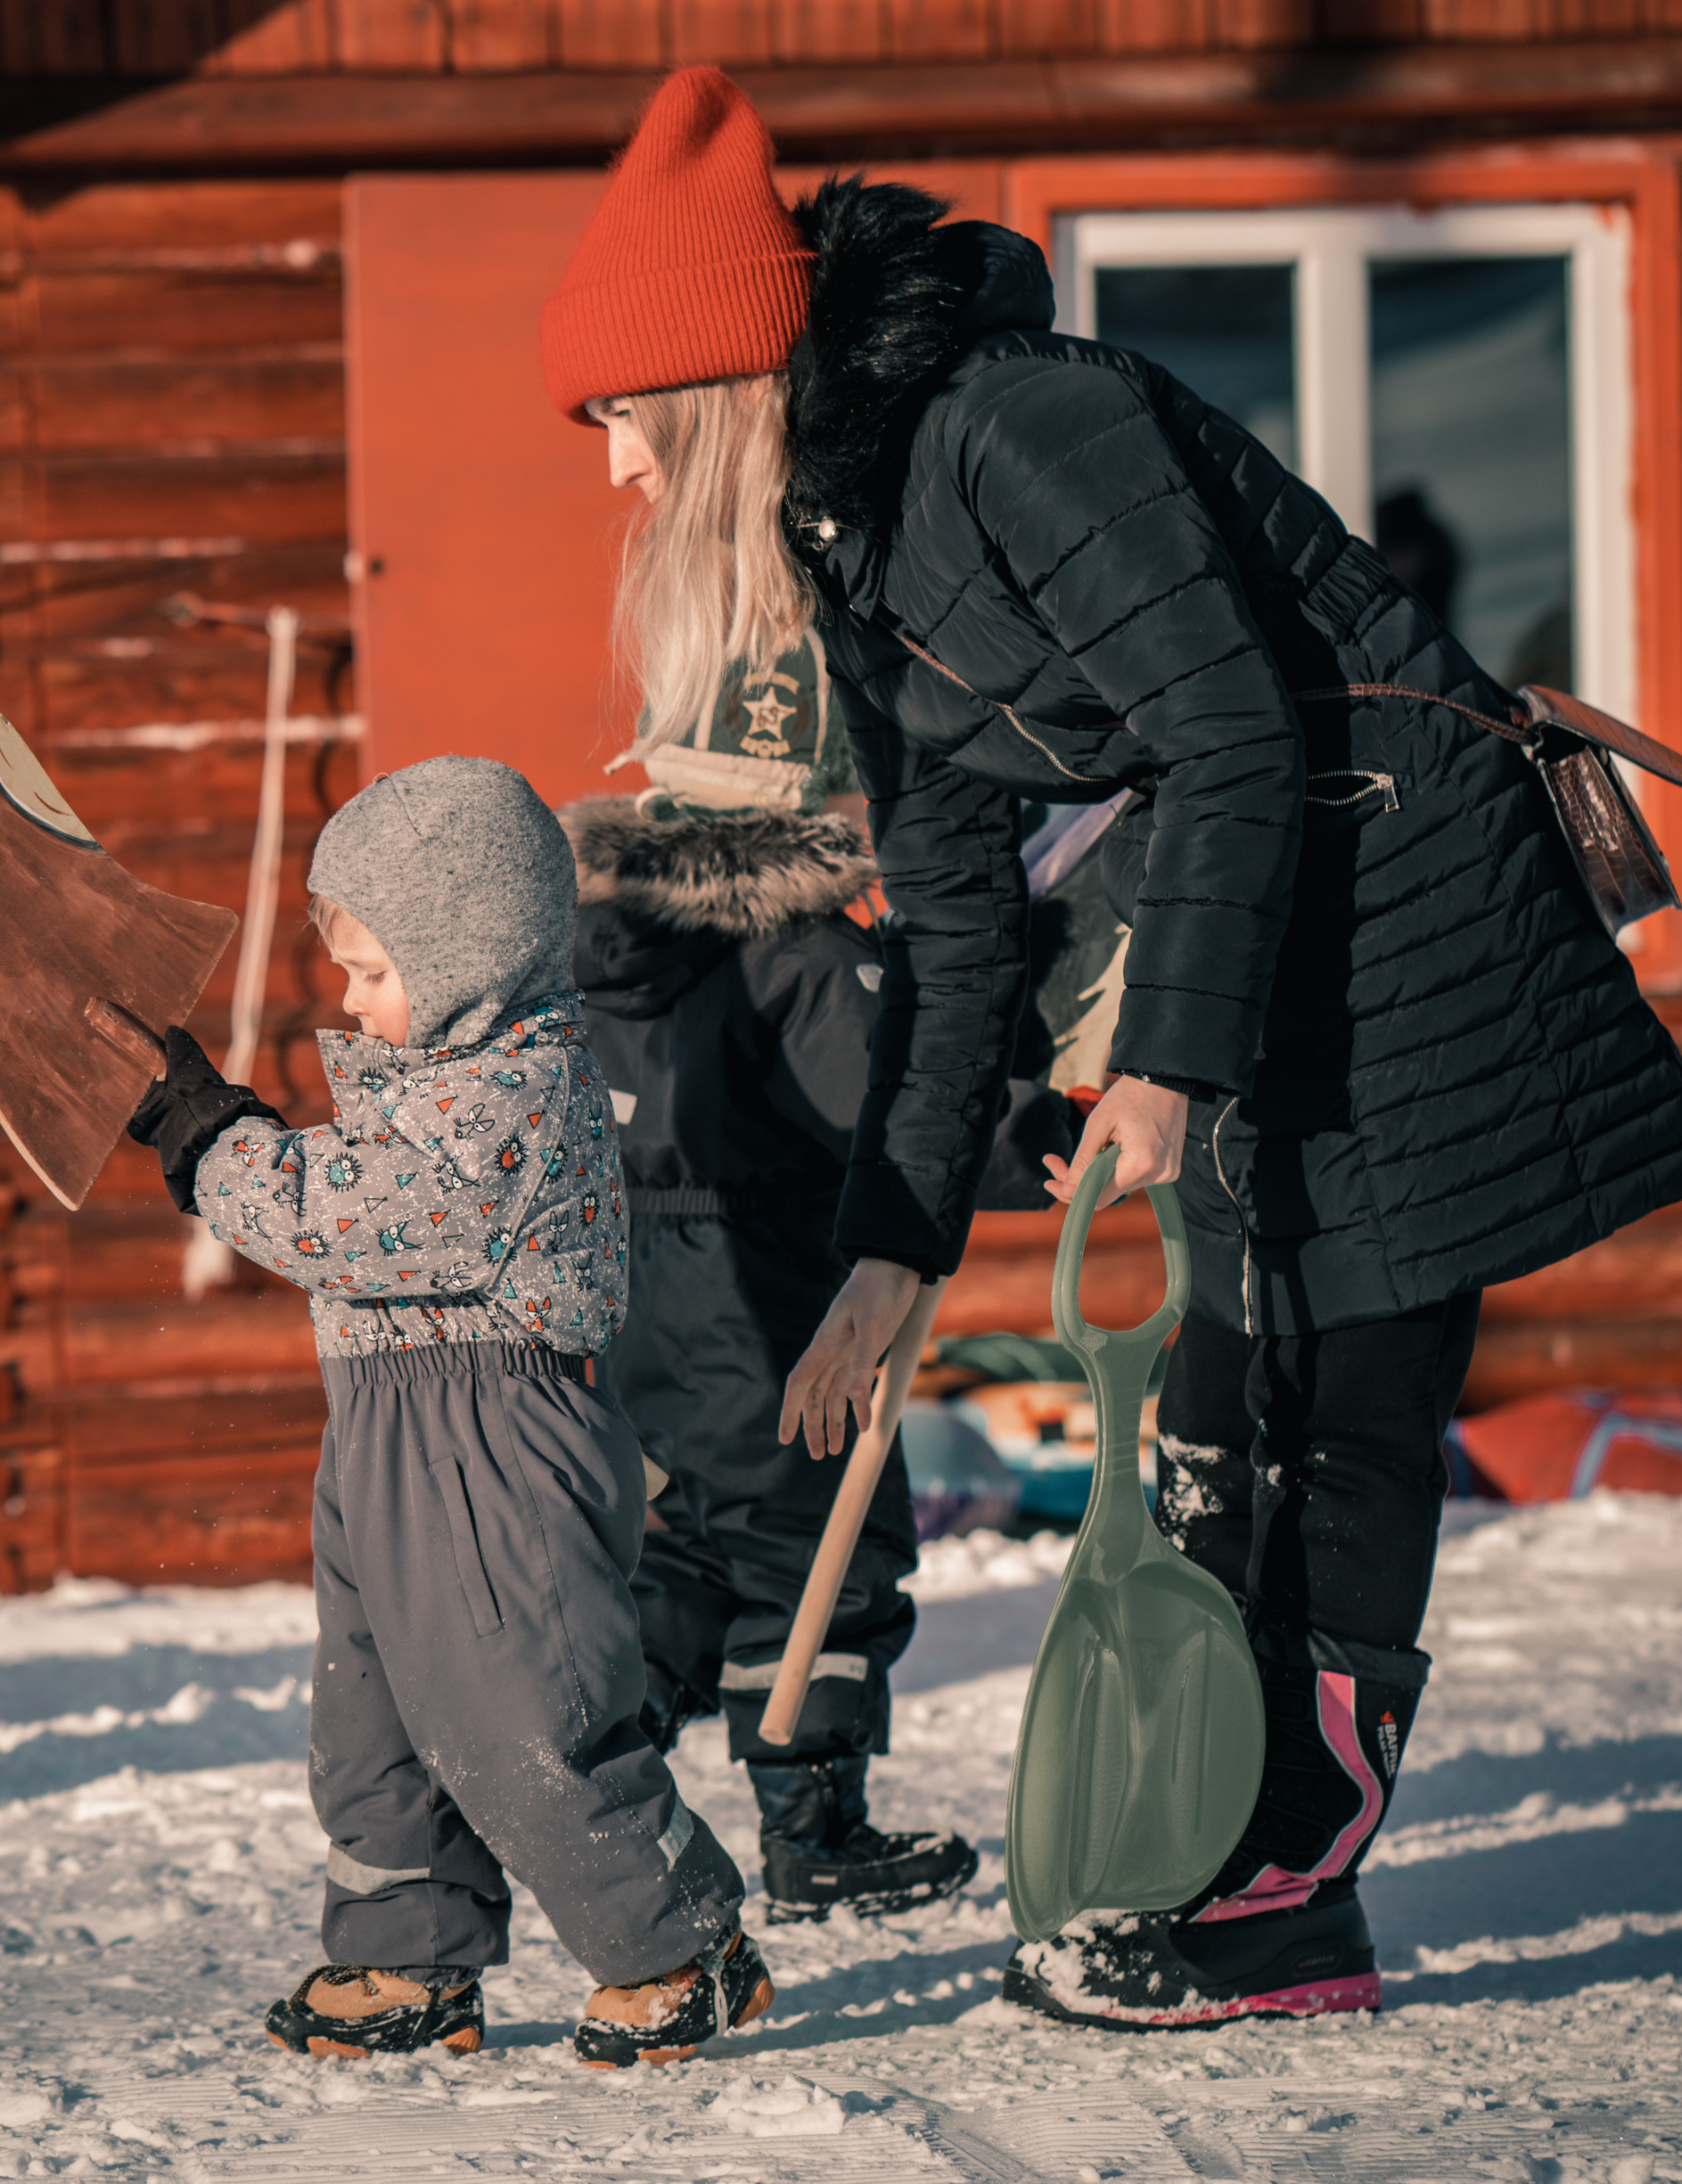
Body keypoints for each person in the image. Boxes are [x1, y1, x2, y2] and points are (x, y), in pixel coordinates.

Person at [541, 68, 1682, 2027]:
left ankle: (1285, 1902)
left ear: (718, 377)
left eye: (625, 421)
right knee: (1218, 1418)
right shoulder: (854, 543)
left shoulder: (1019, 427)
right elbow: (958, 916)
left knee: (1337, 1389)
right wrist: (890, 1251)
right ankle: (1213, 1846)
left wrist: (1155, 1063)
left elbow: (1236, 729)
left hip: (1396, 894)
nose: (617, 475)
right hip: (1258, 923)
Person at [126, 753, 773, 2067]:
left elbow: (334, 1213)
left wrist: (209, 1134)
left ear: (468, 949)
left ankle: (679, 1940)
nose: (351, 1003)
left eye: (372, 972)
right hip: (385, 1431)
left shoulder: (516, 1099)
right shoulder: (442, 1083)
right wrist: (239, 1128)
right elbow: (348, 1184)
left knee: (516, 1710)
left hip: (491, 1441)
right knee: (372, 1713)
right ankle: (404, 1950)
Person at [569, 640, 983, 1922]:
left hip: (643, 1288)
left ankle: (601, 1741)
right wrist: (1004, 1124)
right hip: (777, 1281)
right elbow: (884, 1113)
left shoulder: (609, 939)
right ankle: (814, 1823)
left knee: (692, 1533)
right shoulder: (799, 950)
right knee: (821, 1546)